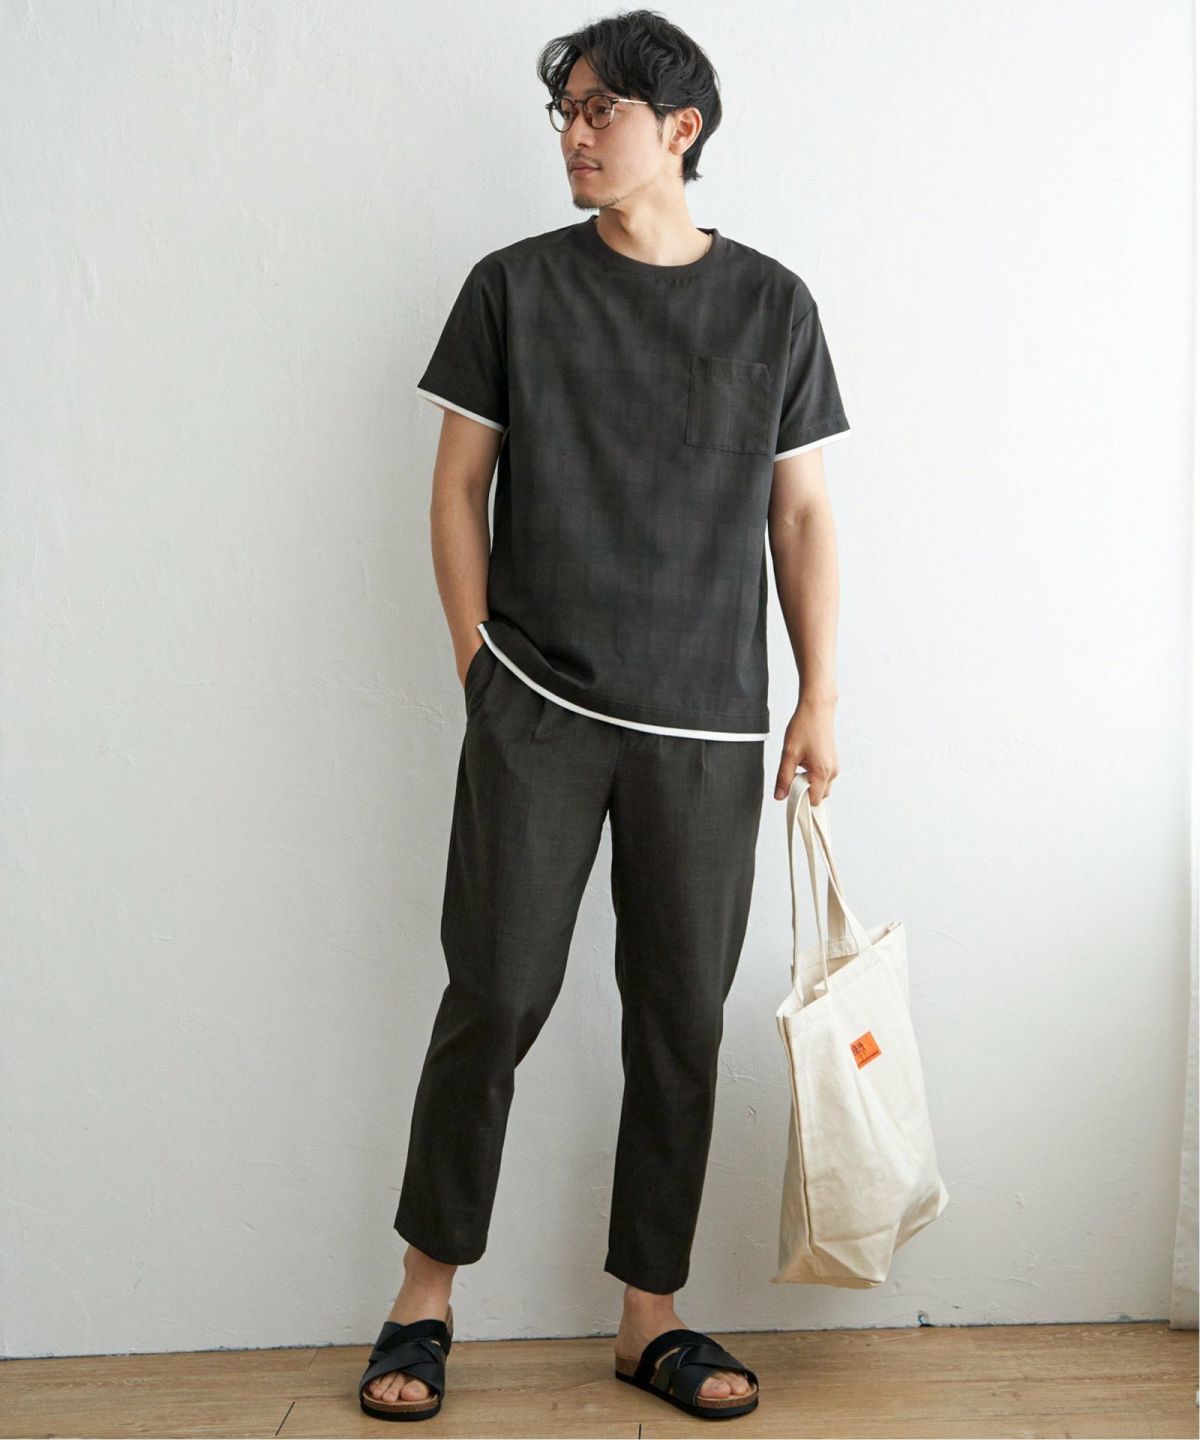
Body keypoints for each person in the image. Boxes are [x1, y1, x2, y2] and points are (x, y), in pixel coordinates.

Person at [359, 7, 848, 1423]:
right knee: (495, 995)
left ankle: (650, 1319)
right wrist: (477, 663)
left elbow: (801, 513)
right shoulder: (513, 289)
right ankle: (422, 1300)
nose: (574, 135)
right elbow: (459, 487)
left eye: (599, 110)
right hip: (537, 705)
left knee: (679, 1019)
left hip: (710, 724)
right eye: (564, 112)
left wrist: (820, 693)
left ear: (678, 127)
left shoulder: (773, 305)